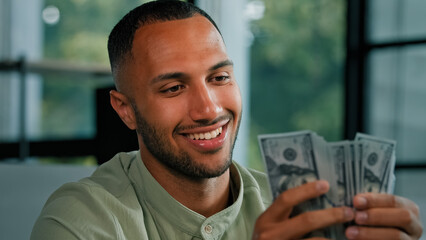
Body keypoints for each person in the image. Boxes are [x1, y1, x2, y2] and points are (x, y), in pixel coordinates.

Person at [31, 1, 423, 239]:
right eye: (173, 88)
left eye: (219, 78)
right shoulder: (79, 220)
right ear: (125, 109)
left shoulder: (297, 206)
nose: (209, 109)